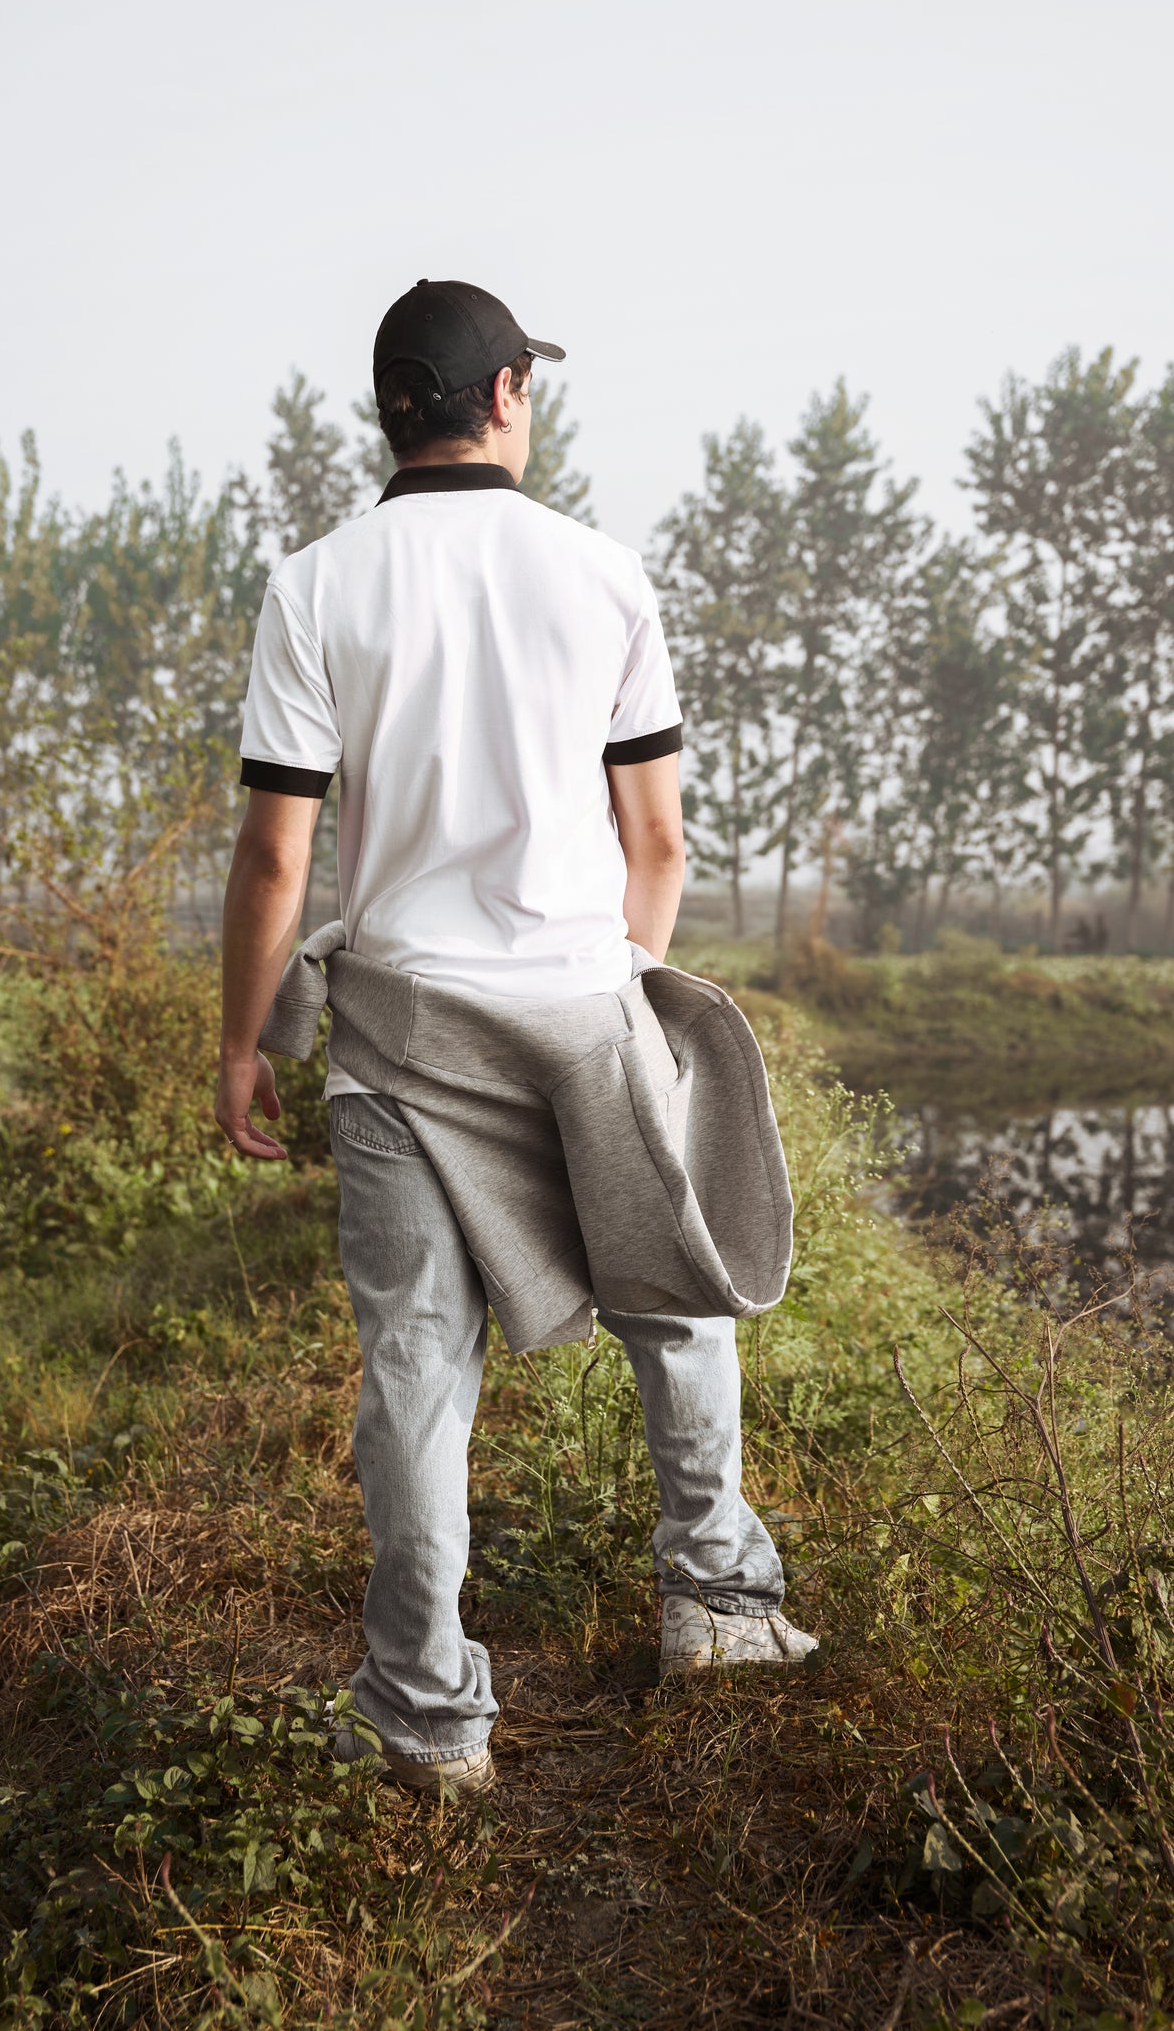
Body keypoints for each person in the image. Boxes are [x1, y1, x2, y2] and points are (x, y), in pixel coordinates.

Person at [215, 279, 815, 1794]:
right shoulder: (600, 573)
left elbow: (277, 858)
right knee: (676, 1302)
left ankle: (426, 1716)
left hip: (397, 1036)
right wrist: (617, 985)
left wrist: (242, 1044)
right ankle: (715, 1603)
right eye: (526, 388)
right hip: (577, 1004)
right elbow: (657, 836)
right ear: (501, 399)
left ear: (388, 408)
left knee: (416, 1366)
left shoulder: (315, 584)